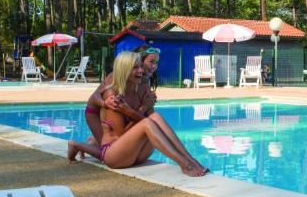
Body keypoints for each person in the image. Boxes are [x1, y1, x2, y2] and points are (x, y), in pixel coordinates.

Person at [69, 50, 207, 176]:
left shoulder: (140, 88)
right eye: (135, 67)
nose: (141, 70)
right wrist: (139, 110)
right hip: (114, 155)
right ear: (124, 70)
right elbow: (122, 134)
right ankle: (184, 164)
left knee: (155, 117)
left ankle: (190, 159)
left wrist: (145, 108)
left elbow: (150, 118)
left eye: (141, 66)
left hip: (133, 154)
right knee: (147, 122)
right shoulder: (113, 95)